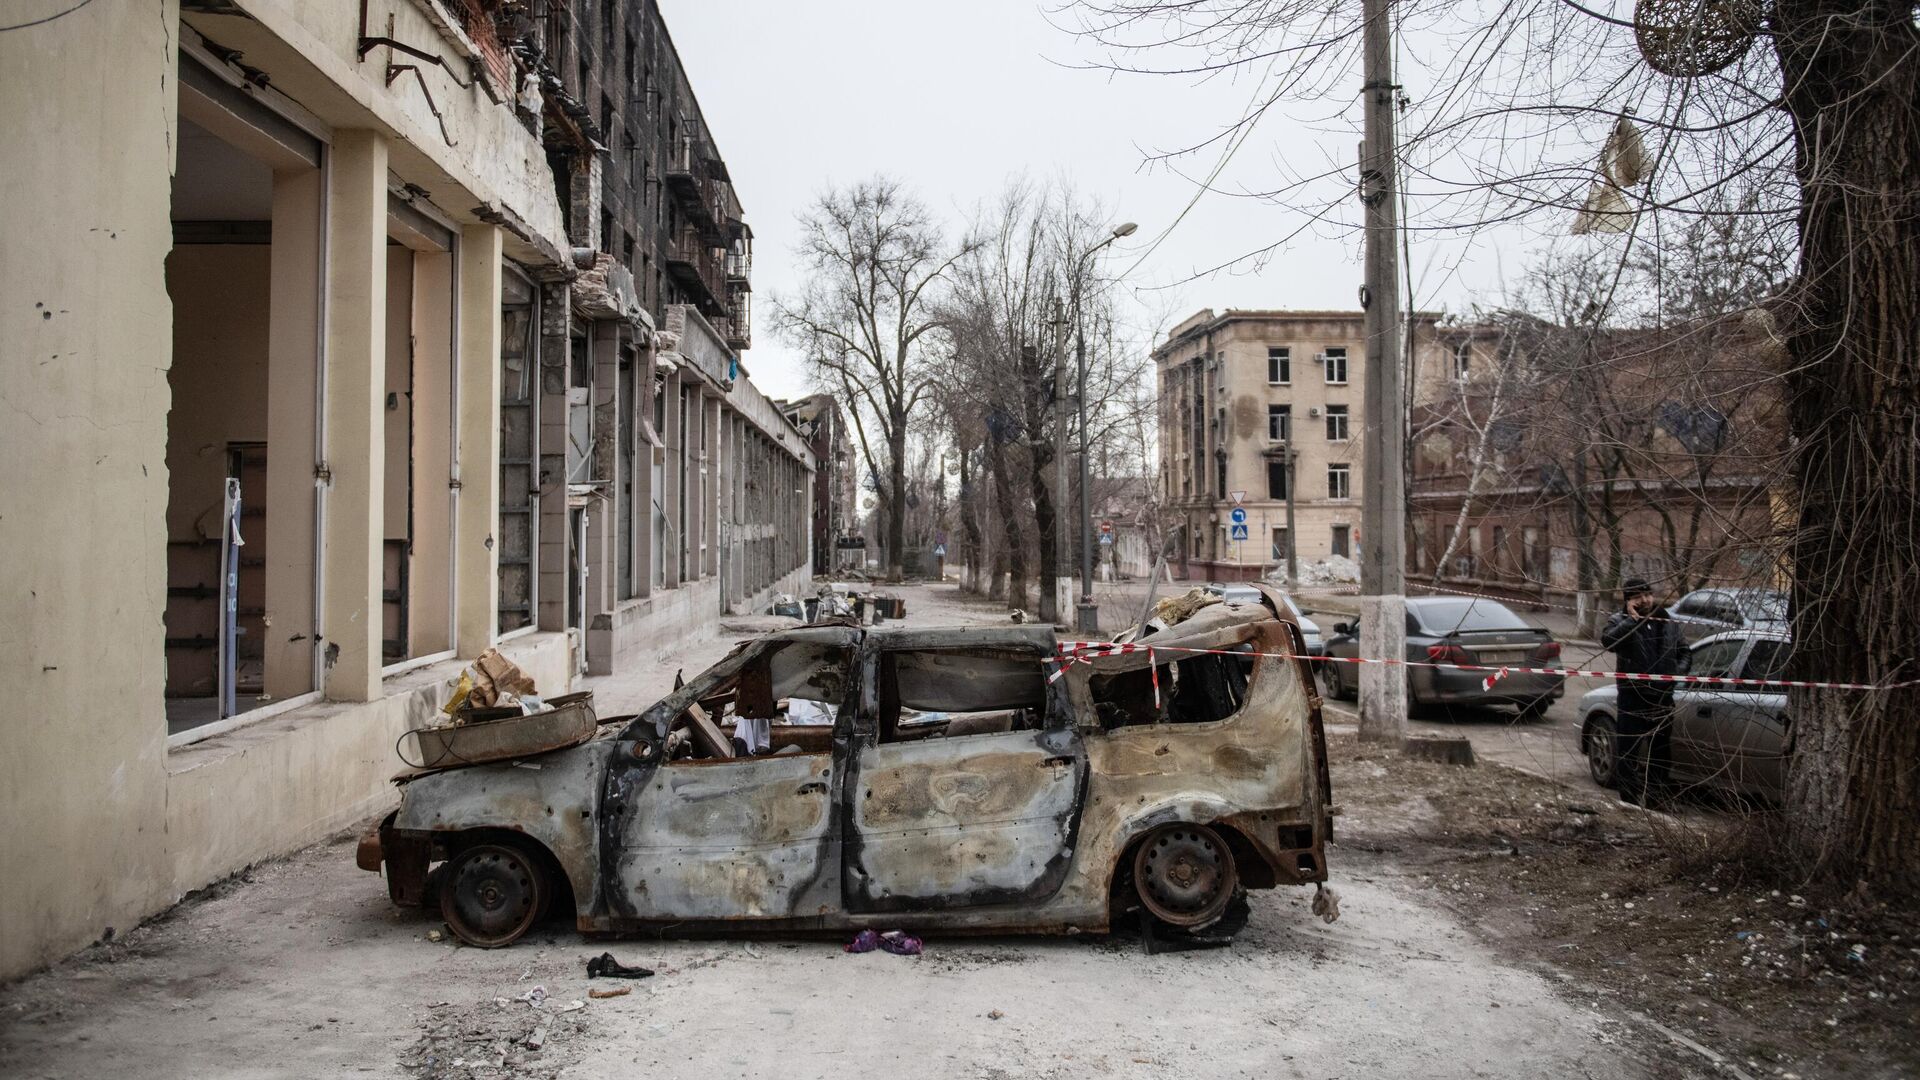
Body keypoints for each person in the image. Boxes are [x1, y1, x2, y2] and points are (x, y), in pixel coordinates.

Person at [1600, 577, 1686, 807]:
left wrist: (1674, 674)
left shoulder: (1668, 621)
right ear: (1629, 600)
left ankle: (1656, 801)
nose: (1645, 600)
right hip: (1633, 699)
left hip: (1662, 700)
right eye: (1638, 597)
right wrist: (1632, 620)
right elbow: (1608, 641)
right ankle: (1630, 802)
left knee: (1660, 755)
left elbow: (1684, 652)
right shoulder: (1619, 621)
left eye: (1647, 595)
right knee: (1628, 754)